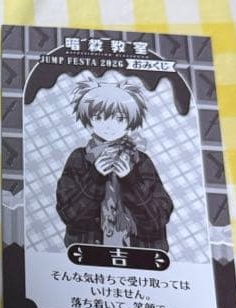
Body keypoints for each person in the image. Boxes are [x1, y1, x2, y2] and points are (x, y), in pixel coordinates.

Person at [56, 79, 173, 250]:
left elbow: (158, 218)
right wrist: (95, 179)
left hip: (140, 254)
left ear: (131, 121)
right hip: (89, 252)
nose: (109, 125)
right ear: (88, 121)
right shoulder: (80, 158)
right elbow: (70, 215)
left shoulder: (140, 160)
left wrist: (131, 181)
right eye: (99, 117)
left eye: (119, 118)